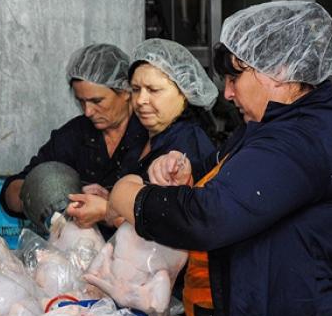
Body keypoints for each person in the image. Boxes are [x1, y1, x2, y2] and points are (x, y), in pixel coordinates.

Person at [107, 1, 332, 316]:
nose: (228, 92)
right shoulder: (273, 126)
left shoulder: (300, 138)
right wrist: (183, 167)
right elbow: (228, 176)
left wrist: (131, 197)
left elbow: (209, 217)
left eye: (235, 76)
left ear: (281, 70)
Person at [0, 43, 148, 238]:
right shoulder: (75, 134)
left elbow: (166, 210)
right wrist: (55, 196)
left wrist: (111, 204)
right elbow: (13, 192)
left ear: (126, 91)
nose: (88, 112)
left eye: (96, 101)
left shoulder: (149, 134)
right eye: (81, 101)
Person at [66, 38, 218, 230]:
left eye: (153, 90)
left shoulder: (188, 145)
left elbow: (176, 221)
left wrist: (107, 210)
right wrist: (112, 197)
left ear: (184, 92)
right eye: (136, 89)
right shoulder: (148, 136)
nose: (140, 100)